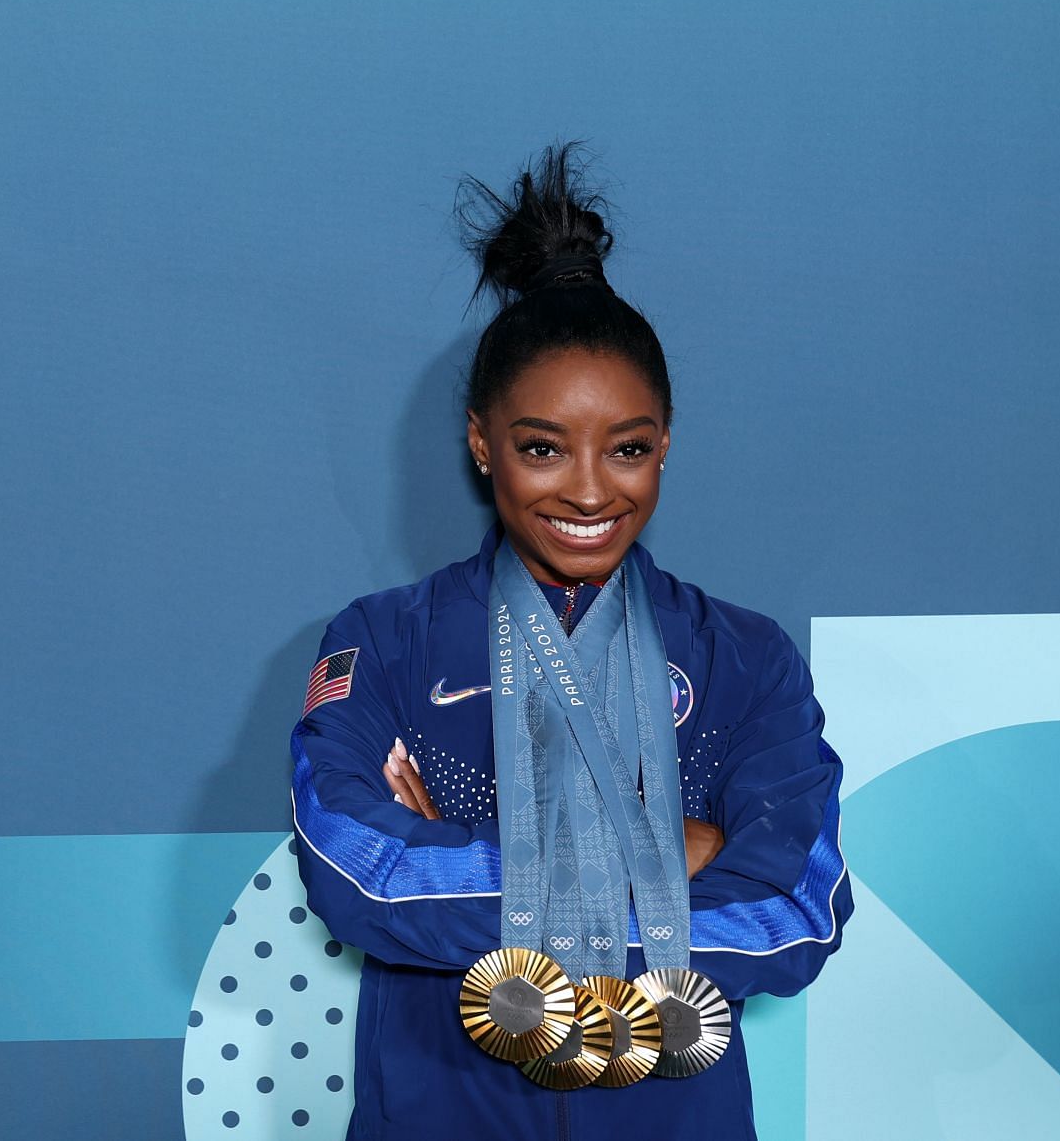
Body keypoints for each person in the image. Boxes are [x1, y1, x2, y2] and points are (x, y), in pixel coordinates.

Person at [290, 144, 851, 1140]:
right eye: (542, 445)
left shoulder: (745, 658)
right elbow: (356, 873)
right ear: (481, 442)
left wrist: (473, 875)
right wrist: (673, 856)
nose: (591, 488)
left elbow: (796, 912)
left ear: (665, 442)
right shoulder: (385, 642)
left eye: (627, 446)